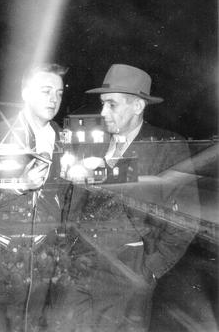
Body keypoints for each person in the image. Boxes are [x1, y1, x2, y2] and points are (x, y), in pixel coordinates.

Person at [52, 64, 199, 332]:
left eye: (111, 104)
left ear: (138, 106)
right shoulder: (92, 144)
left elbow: (186, 219)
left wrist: (151, 269)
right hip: (79, 267)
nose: (102, 112)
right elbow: (74, 197)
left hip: (128, 271)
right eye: (102, 104)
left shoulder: (166, 147)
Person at [0, 63, 73, 331]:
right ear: (26, 93)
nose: (54, 99)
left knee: (30, 324)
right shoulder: (0, 135)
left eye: (59, 93)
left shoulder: (60, 137)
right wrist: (18, 185)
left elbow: (62, 195)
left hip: (39, 254)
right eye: (46, 90)